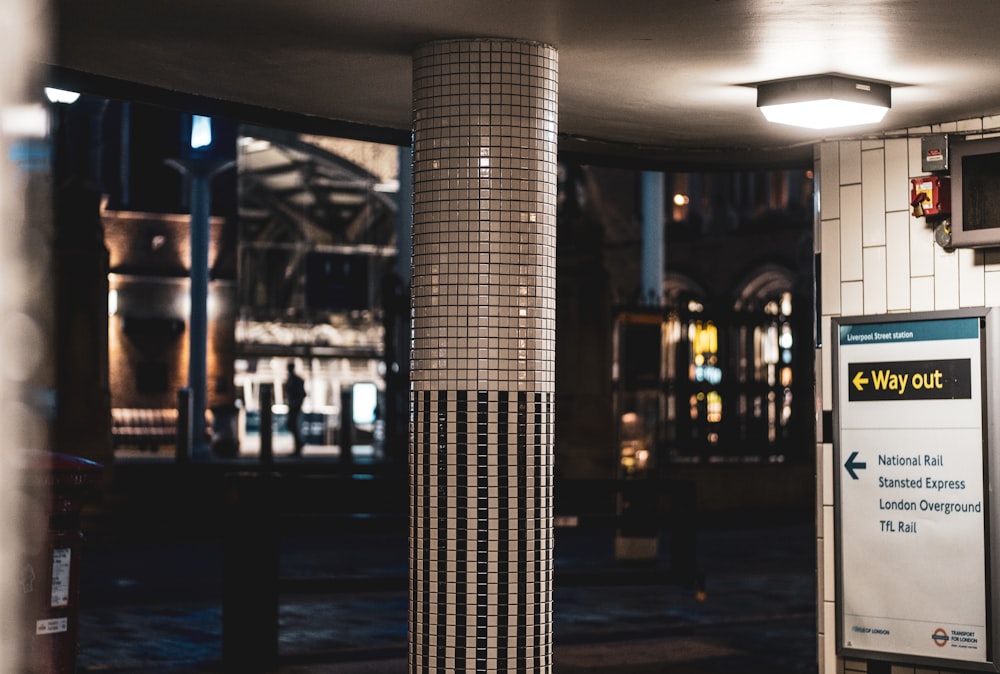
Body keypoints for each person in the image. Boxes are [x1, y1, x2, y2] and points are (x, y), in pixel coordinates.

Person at [284, 361, 306, 456]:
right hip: (293, 405)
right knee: (292, 425)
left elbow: (302, 393)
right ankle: (298, 444)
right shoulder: (293, 379)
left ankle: (298, 445)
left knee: (292, 425)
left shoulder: (295, 380)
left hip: (294, 405)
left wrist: (296, 402)